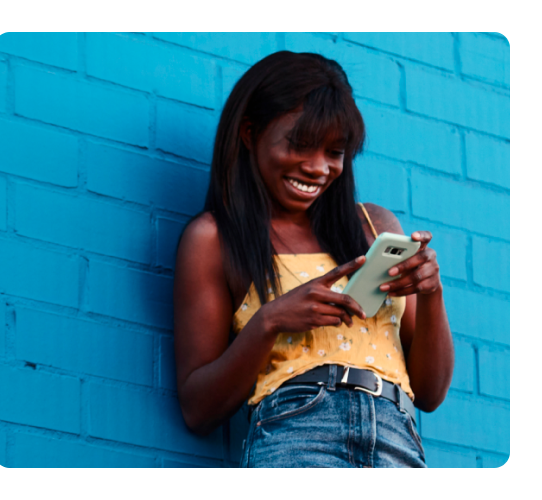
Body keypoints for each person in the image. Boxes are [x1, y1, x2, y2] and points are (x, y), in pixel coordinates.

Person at [173, 51, 454, 469]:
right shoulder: (214, 238)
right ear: (249, 133)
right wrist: (270, 321)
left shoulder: (373, 226)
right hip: (296, 436)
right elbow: (198, 409)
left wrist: (431, 293)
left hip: (397, 438)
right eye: (300, 145)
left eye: (335, 152)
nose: (318, 167)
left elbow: (430, 393)